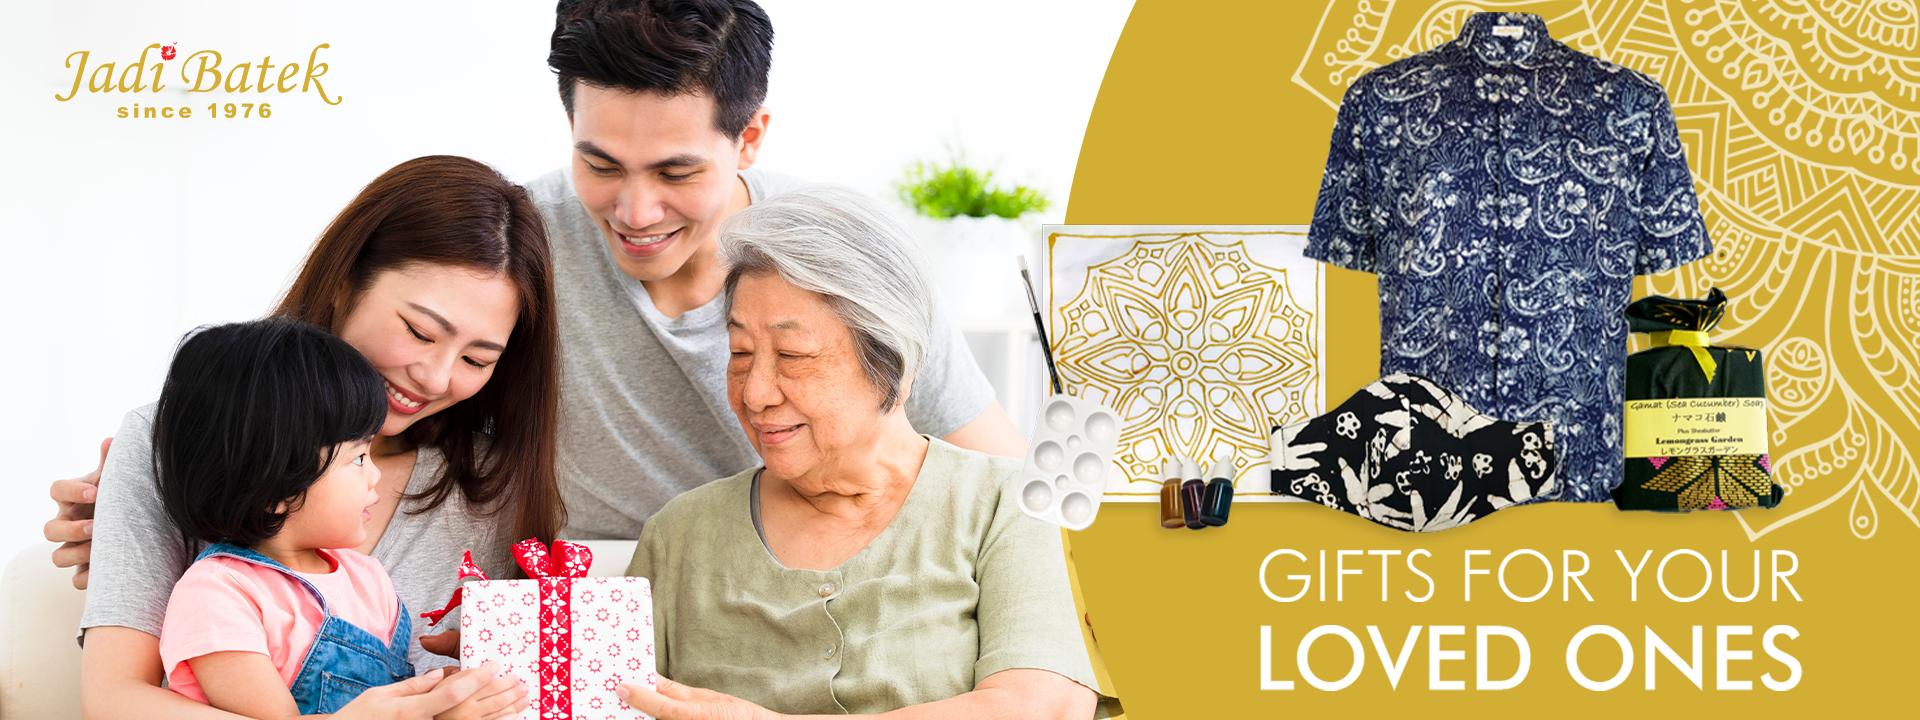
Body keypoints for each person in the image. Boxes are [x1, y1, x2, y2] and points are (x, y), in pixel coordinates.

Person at [47, 0, 1023, 574]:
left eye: (678, 172)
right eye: (601, 162)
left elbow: (1001, 485)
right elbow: (306, 375)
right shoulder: (513, 248)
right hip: (583, 605)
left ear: (751, 138)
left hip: (810, 590)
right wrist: (180, 488)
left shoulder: (836, 254)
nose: (635, 210)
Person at [74, 156, 561, 720]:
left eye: (477, 358)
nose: (435, 377)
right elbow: (115, 701)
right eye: (419, 331)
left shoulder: (492, 483)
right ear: (344, 283)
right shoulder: (165, 441)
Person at [621, 187, 1101, 719]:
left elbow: (1039, 707)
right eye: (739, 352)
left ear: (891, 365)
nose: (755, 393)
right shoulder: (678, 537)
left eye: (794, 355)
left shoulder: (1007, 504)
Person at [149, 320, 522, 719]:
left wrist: (440, 701)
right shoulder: (218, 594)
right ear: (277, 490)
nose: (375, 474)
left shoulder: (368, 579)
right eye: (358, 457)